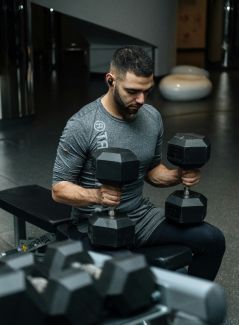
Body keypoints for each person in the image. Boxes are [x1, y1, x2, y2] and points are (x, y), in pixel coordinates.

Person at [52, 46, 225, 281]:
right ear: (110, 81)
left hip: (141, 216)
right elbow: (59, 189)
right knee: (127, 282)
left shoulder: (152, 117)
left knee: (213, 240)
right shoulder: (82, 124)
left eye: (147, 91)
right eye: (132, 91)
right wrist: (98, 196)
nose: (141, 100)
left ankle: (191, 304)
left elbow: (152, 171)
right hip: (95, 223)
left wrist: (178, 175)